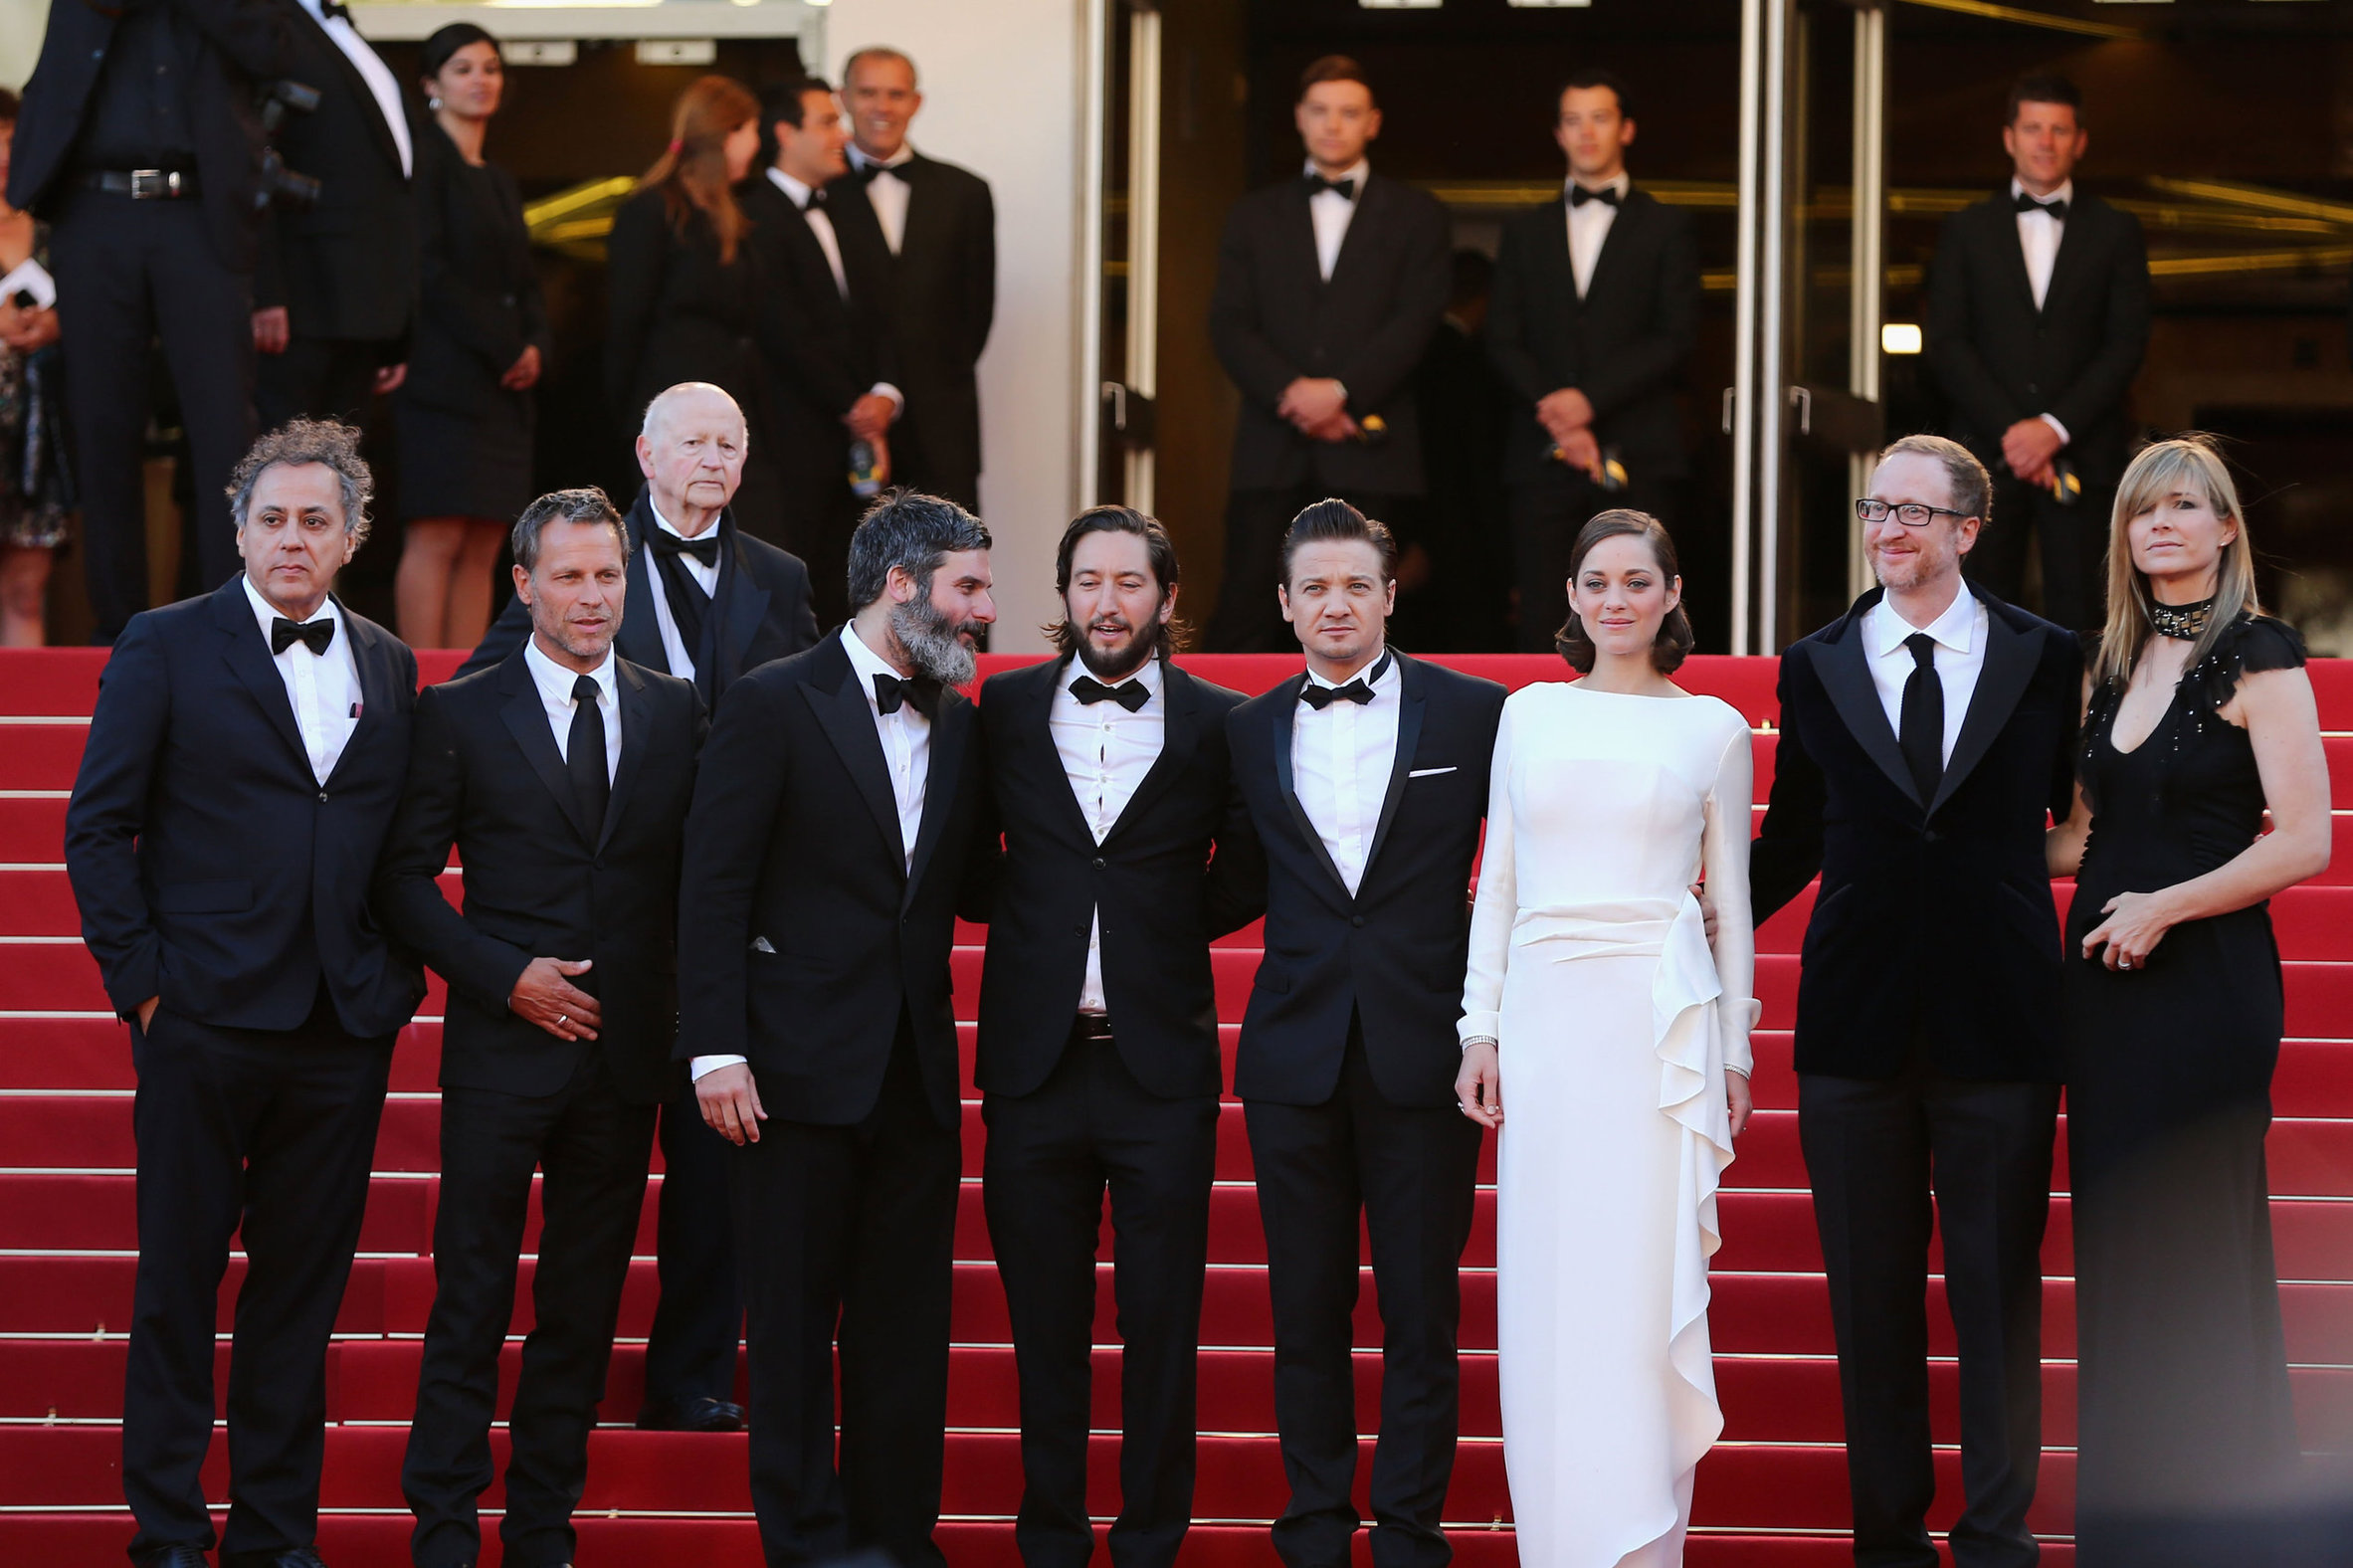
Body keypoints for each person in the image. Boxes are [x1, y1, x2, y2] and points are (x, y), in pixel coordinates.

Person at [62, 419, 423, 1568]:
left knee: (299, 1300)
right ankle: (169, 1530)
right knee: (177, 1285)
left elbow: (395, 845)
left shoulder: (390, 662)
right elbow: (97, 825)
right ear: (238, 530)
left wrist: (387, 980)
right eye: (272, 518)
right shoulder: (165, 642)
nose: (291, 538)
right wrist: (143, 989)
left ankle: (274, 1535)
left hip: (339, 1027)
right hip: (202, 1019)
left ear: (353, 536)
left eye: (315, 520)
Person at [1750, 434, 2081, 1568]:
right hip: (1854, 1025)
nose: (1886, 529)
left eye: (1911, 512)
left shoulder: (2046, 656)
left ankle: (1996, 1540)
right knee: (1870, 1304)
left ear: (1967, 530)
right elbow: (1792, 833)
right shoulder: (1815, 662)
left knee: (1998, 1299)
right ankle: (1886, 1543)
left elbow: (2070, 813)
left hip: (2002, 1018)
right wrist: (1673, 925)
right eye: (1873, 509)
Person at [375, 487, 706, 1568]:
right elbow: (403, 880)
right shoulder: (460, 711)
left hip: (624, 1055)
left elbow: (700, 878)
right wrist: (503, 974)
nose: (591, 595)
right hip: (500, 1051)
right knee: (469, 1295)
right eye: (568, 576)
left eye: (607, 574)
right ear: (524, 585)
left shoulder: (674, 710)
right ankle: (442, 1530)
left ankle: (541, 1532)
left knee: (581, 1305)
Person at [679, 490, 995, 1568]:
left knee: (905, 1329)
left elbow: (978, 884)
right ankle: (807, 1543)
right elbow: (713, 884)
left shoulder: (963, 722)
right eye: (967, 587)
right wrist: (716, 1048)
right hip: (787, 1071)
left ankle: (896, 1540)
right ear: (900, 586)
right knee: (792, 1327)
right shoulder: (772, 701)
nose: (984, 609)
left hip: (913, 1073)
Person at [2044, 438, 2331, 1566]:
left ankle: (2221, 1530)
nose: (2159, 523)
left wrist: (2164, 907)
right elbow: (2085, 840)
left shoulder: (2258, 653)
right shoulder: (2109, 663)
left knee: (2197, 1250)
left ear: (2223, 528)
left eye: (2183, 505)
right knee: (2122, 1253)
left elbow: (2302, 840)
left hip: (2205, 990)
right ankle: (2132, 1529)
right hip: (2103, 998)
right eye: (2140, 509)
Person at [1455, 510, 1755, 1566]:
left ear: (1672, 594)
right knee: (1551, 1286)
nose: (1615, 599)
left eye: (1636, 580)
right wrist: (1479, 1026)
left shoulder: (1713, 728)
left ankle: (1640, 1542)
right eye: (1596, 581)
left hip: (1654, 1034)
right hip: (1545, 1025)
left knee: (1635, 1288)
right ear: (1572, 597)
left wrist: (1733, 1051)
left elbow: (1732, 902)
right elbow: (1497, 881)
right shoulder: (1527, 713)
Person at [969, 506, 1258, 1568]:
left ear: (1166, 598)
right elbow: (967, 854)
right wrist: (1042, 922)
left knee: (1161, 1326)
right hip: (1032, 1066)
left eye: (1129, 582)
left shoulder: (1221, 721)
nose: (1106, 601)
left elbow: (1246, 870)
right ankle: (1051, 1538)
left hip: (1160, 1070)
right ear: (1064, 594)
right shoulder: (1002, 708)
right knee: (1042, 1326)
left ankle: (1148, 1543)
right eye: (1087, 580)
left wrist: (1157, 930)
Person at [1222, 500, 1506, 1568]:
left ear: (1389, 595)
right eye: (1314, 588)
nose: (1333, 605)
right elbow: (1228, 878)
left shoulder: (1475, 712)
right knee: (1305, 1309)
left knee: (1422, 1312)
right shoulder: (1245, 729)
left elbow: (1527, 858)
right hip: (1291, 1054)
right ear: (1284, 604)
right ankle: (1313, 1525)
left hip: (1425, 1048)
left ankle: (1409, 1532)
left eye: (1354, 585)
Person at [8, 0, 294, 641]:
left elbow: (275, 50)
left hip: (199, 212)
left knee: (225, 428)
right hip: (95, 207)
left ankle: (230, 624)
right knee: (103, 426)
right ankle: (120, 630)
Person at [1203, 58, 1450, 652]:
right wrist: (1294, 393)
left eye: (1348, 112)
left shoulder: (1417, 214)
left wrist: (1341, 394)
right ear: (1299, 117)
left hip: (1371, 450)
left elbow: (1417, 322)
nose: (1333, 124)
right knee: (1248, 611)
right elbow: (1229, 323)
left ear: (1373, 122)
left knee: (1371, 614)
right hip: (1271, 448)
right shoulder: (1252, 214)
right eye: (1320, 110)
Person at [1926, 73, 2149, 633]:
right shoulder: (1965, 229)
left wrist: (2053, 428)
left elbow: (2126, 344)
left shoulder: (2117, 231)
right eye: (2032, 128)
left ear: (2080, 141)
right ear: (2009, 137)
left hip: (2085, 453)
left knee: (2087, 617)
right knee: (1976, 616)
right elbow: (1946, 342)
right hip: (1984, 456)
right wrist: (2015, 433)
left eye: (2059, 130)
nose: (2045, 142)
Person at [1487, 72, 1700, 654]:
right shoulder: (1524, 230)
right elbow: (1502, 337)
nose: (1586, 132)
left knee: (1642, 607)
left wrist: (1588, 402)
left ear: (1626, 129)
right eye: (1573, 120)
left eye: (1600, 118)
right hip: (1540, 457)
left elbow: (1676, 337)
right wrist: (1560, 416)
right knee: (1542, 609)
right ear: (1558, 133)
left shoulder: (1667, 225)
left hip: (1640, 447)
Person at [393, 22, 548, 651]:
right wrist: (505, 346)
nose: (480, 80)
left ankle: (461, 681)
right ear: (431, 84)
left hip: (501, 390)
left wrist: (536, 343)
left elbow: (526, 279)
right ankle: (421, 680)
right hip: (443, 376)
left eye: (490, 67)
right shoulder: (423, 163)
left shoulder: (499, 177)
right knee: (437, 533)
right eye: (463, 69)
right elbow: (426, 271)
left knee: (485, 540)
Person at [741, 77, 901, 631]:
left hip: (850, 439)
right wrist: (851, 403)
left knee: (849, 580)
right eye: (828, 122)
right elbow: (782, 328)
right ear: (786, 133)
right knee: (791, 583)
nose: (843, 135)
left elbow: (880, 313)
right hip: (789, 436)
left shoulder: (847, 207)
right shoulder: (753, 214)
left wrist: (882, 393)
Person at [828, 46, 995, 511]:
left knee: (949, 551)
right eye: (868, 93)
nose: (882, 107)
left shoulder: (966, 193)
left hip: (941, 427)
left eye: (896, 94)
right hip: (843, 425)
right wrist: (861, 402)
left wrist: (916, 391)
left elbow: (975, 315)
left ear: (916, 102)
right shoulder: (818, 190)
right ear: (843, 98)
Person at [606, 78, 774, 537]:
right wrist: (628, 419)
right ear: (727, 133)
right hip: (674, 413)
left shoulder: (729, 214)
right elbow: (627, 321)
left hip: (731, 411)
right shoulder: (652, 211)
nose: (757, 144)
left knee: (745, 539)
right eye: (751, 131)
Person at [252, 0, 415, 432]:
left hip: (362, 302)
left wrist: (395, 327)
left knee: (340, 461)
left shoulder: (343, 32)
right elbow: (253, 167)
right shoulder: (268, 25)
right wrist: (264, 291)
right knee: (283, 455)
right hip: (300, 300)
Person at [0, 90, 72, 648]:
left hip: (37, 437)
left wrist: (57, 323)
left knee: (27, 590)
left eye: (11, 140)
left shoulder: (59, 224)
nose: (4, 155)